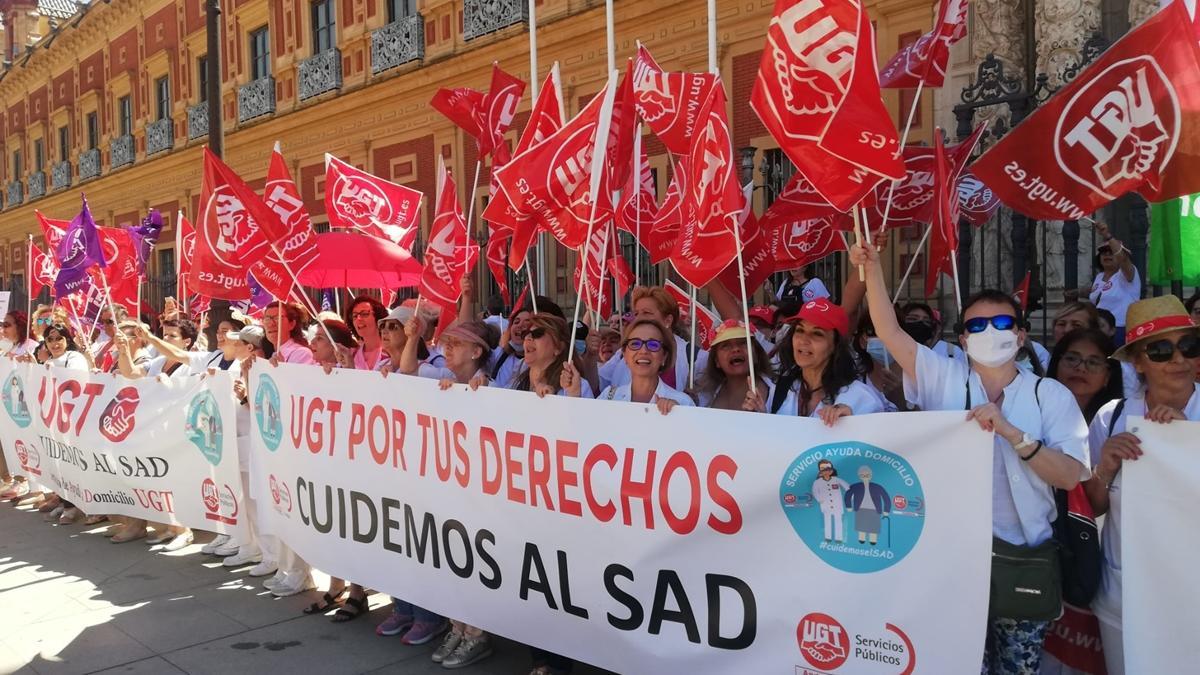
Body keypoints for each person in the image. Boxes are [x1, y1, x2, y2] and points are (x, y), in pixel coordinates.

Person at [851, 242, 1089, 673]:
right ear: (962, 338)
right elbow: (889, 332)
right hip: (951, 560)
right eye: (976, 325)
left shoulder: (1049, 395)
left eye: (1001, 322)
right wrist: (872, 272)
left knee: (1017, 667)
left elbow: (1071, 475)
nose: (989, 331)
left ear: (1020, 334)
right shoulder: (943, 375)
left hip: (1022, 557)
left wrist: (1016, 437)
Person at [1083, 296, 1199, 675]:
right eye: (1161, 350)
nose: (1178, 360)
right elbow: (1095, 506)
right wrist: (1105, 467)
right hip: (1126, 593)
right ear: (1137, 361)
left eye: (1189, 346)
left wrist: (1184, 443)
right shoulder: (1112, 416)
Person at [393, 317, 494, 665]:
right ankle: (457, 625)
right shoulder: (441, 379)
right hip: (443, 491)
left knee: (472, 564)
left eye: (457, 342)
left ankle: (477, 634)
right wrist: (415, 337)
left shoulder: (492, 387)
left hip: (476, 497)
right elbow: (407, 370)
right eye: (445, 341)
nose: (447, 348)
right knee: (448, 561)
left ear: (477, 351)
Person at [750, 299, 883, 425]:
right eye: (800, 330)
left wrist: (854, 424)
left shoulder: (860, 397)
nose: (803, 340)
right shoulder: (780, 389)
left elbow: (881, 441)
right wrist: (760, 417)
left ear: (836, 345)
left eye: (817, 334)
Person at [598, 287, 707, 392]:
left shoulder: (696, 358)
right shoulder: (623, 353)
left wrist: (692, 403)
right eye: (636, 314)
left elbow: (707, 402)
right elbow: (598, 385)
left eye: (646, 313)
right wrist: (590, 355)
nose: (638, 319)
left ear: (668, 320)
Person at [595, 319, 694, 414]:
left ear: (664, 356)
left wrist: (678, 415)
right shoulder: (608, 397)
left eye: (653, 345)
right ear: (624, 354)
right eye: (635, 344)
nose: (643, 351)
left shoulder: (683, 402)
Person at [0, 311, 39, 500]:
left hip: (26, 406)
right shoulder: (11, 347)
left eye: (7, 325)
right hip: (11, 405)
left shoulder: (31, 346)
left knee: (28, 443)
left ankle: (33, 486)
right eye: (2, 325)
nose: (3, 329)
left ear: (19, 326)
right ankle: (18, 479)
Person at [1047, 329, 1123, 424]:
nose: (1081, 368)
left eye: (1093, 362)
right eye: (1071, 359)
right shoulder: (1034, 409)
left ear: (1108, 376)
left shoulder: (1118, 421)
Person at [695, 320, 773, 410]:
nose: (736, 349)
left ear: (756, 355)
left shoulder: (781, 395)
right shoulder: (703, 398)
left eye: (743, 343)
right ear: (717, 361)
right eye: (726, 346)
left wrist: (762, 418)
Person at [1087, 223, 1140, 346]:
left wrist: (1107, 236)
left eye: (1111, 252)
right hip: (1100, 330)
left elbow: (1123, 259)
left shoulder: (1127, 274)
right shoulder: (1100, 277)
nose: (1107, 254)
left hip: (1121, 330)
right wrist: (1078, 292)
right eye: (1103, 252)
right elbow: (1097, 292)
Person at [345, 296, 387, 371]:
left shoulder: (392, 353)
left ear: (378, 317)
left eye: (364, 314)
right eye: (354, 316)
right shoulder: (350, 355)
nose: (358, 319)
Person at [812, 460, 850, 543]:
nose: (826, 473)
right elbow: (815, 492)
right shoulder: (817, 482)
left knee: (838, 521)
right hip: (826, 505)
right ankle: (828, 537)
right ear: (820, 472)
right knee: (827, 521)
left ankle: (839, 538)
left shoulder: (836, 479)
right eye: (823, 471)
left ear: (831, 471)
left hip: (837, 505)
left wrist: (850, 492)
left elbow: (846, 486)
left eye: (828, 471)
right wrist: (819, 499)